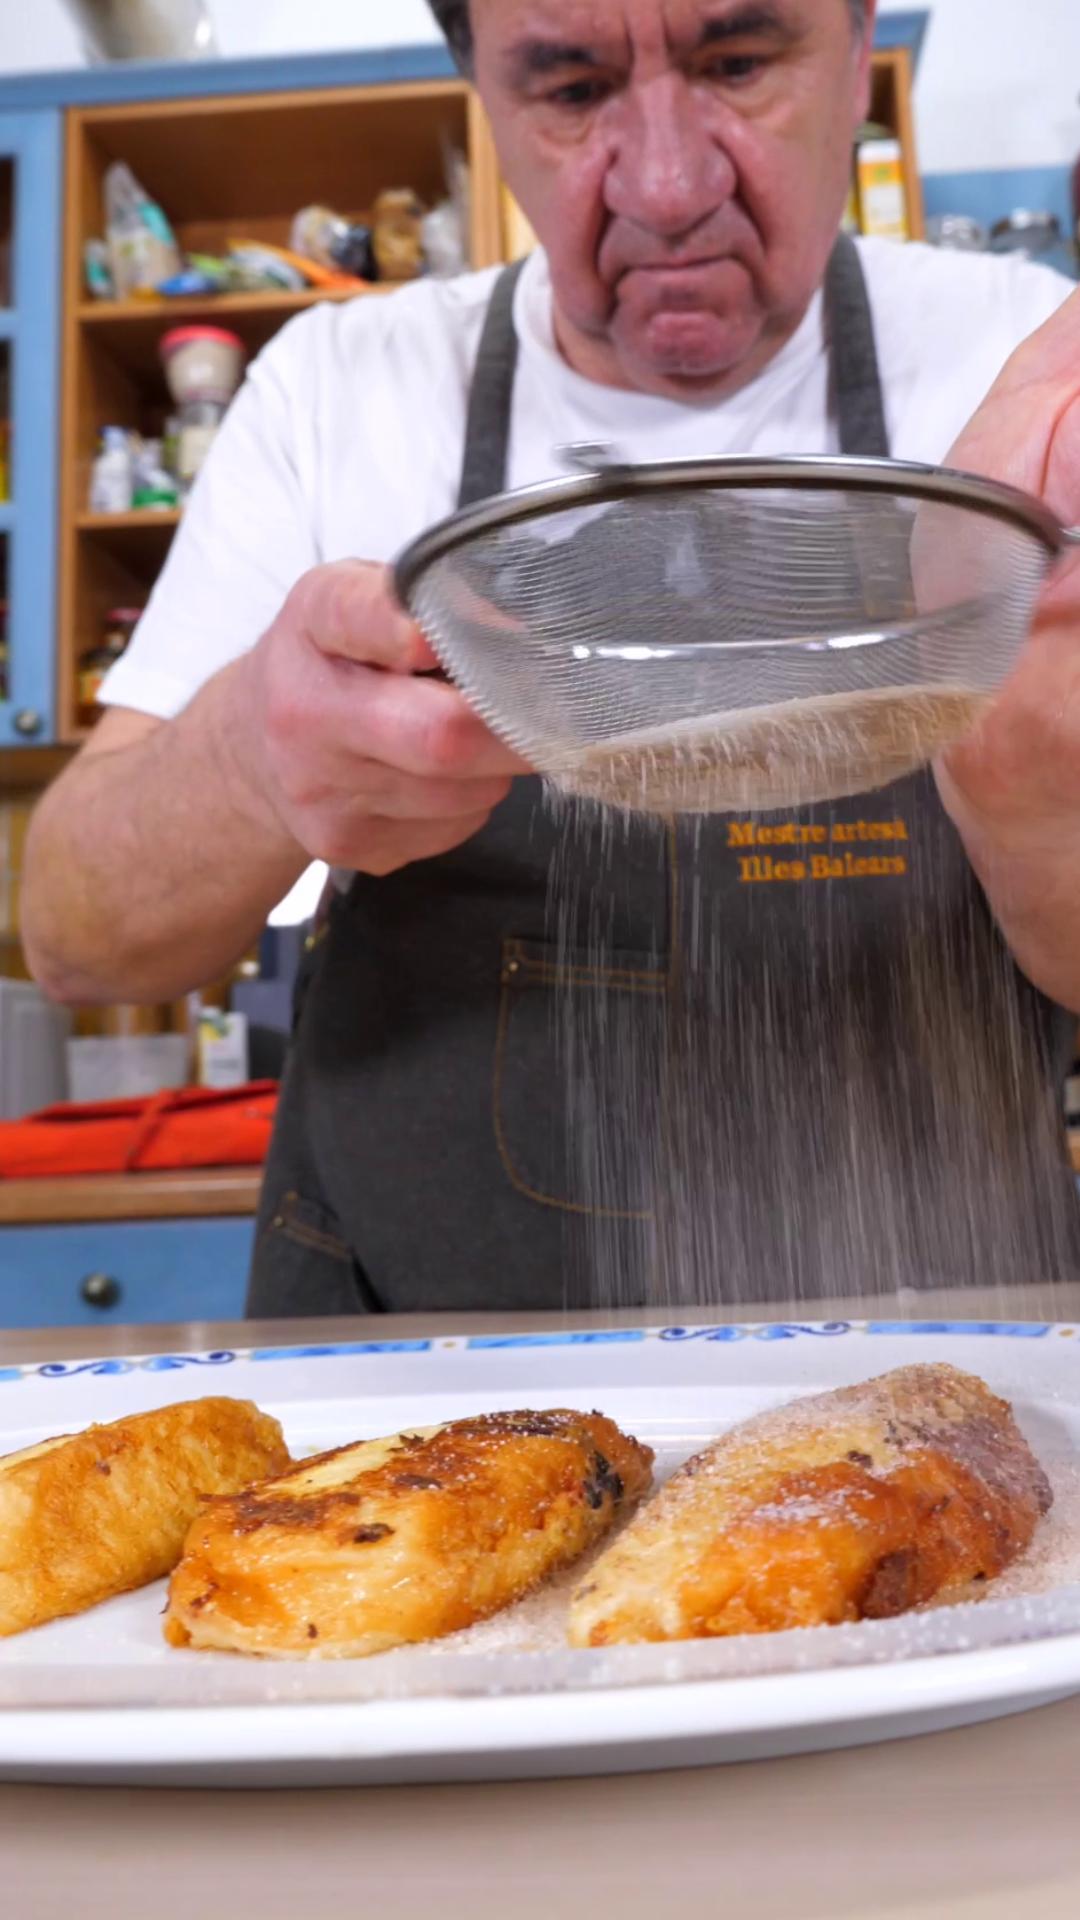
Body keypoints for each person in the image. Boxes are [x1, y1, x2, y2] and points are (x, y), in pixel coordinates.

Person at [21, 0, 1080, 1315]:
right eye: (573, 88)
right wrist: (248, 760)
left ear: (861, 47)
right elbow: (72, 938)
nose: (671, 186)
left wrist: (1035, 795)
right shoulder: (342, 390)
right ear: (479, 86)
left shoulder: (1029, 383)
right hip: (427, 1433)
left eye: (739, 64)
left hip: (956, 1399)